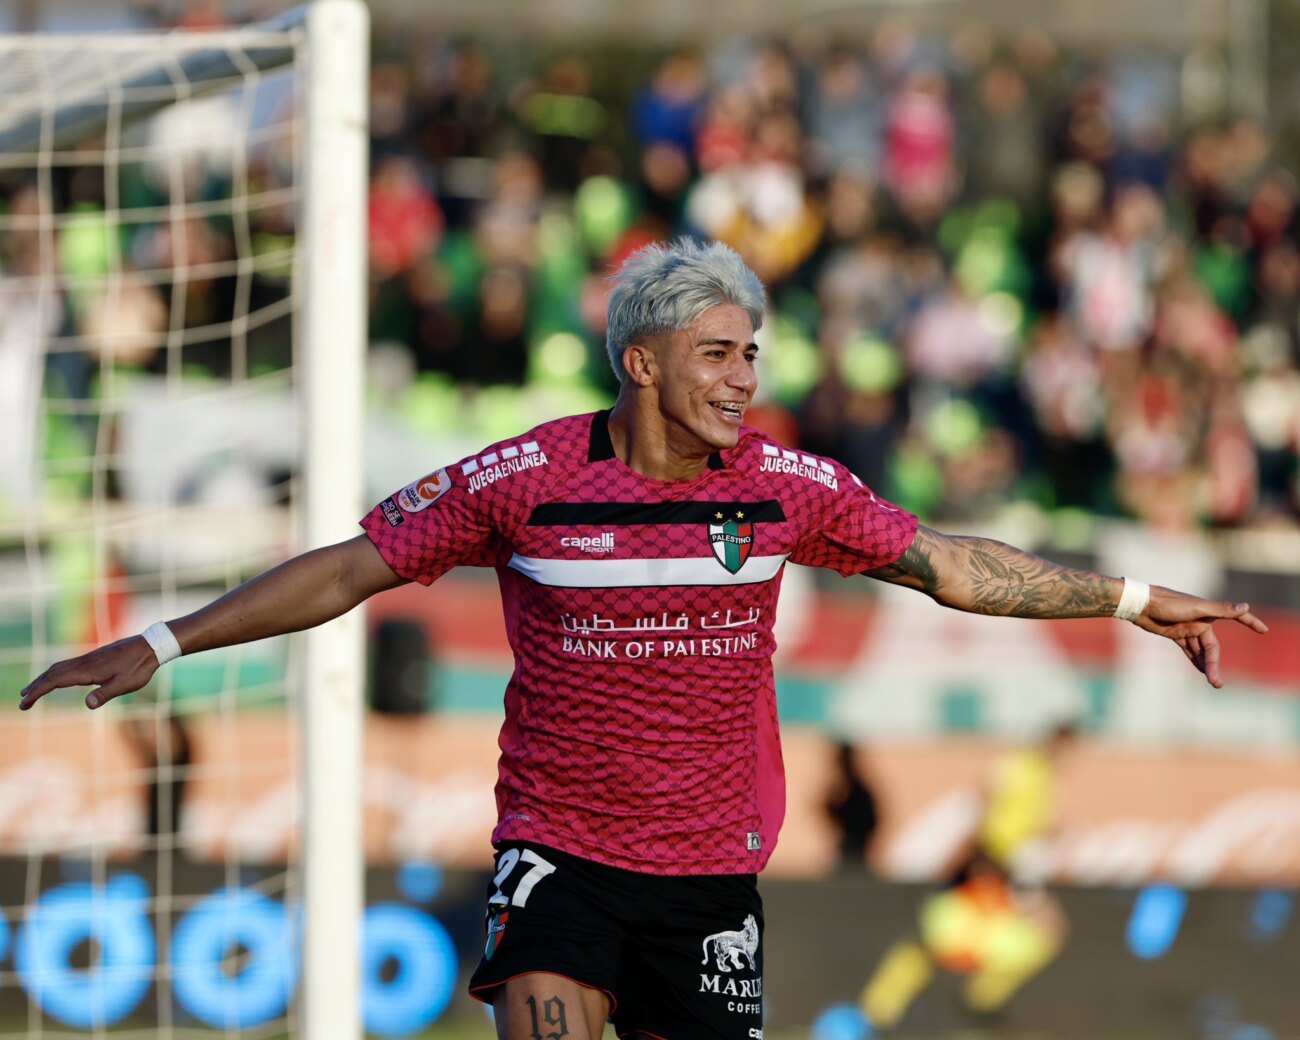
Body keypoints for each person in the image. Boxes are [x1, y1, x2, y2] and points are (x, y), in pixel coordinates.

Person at [20, 238, 1267, 1040]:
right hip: (558, 857)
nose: (742, 378)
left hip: (709, 874)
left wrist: (1131, 599)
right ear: (641, 361)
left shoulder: (786, 489)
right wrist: (164, 641)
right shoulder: (524, 480)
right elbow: (351, 564)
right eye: (716, 354)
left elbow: (950, 566)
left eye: (751, 355)